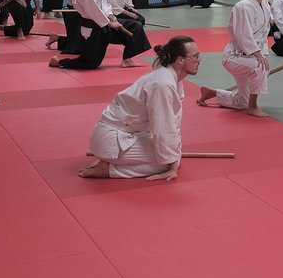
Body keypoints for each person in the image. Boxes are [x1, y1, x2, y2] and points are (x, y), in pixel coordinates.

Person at [80, 36, 201, 180]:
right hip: (112, 139)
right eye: (195, 57)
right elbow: (162, 126)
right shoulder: (162, 83)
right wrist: (172, 164)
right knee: (164, 163)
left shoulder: (172, 79)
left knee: (172, 154)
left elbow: (173, 123)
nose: (199, 61)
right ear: (180, 60)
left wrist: (173, 155)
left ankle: (112, 162)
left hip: (125, 134)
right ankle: (109, 170)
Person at [49, 0, 151, 70]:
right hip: (92, 26)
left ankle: (127, 60)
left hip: (103, 23)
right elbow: (92, 9)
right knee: (90, 63)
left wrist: (110, 15)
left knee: (135, 26)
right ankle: (59, 62)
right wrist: (109, 23)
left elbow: (104, 3)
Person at [198, 0, 273, 117]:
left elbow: (261, 35)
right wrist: (258, 55)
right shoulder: (243, 6)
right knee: (259, 68)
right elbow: (243, 34)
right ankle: (253, 106)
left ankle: (212, 93)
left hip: (249, 56)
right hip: (234, 57)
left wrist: (261, 54)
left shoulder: (265, 5)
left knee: (240, 103)